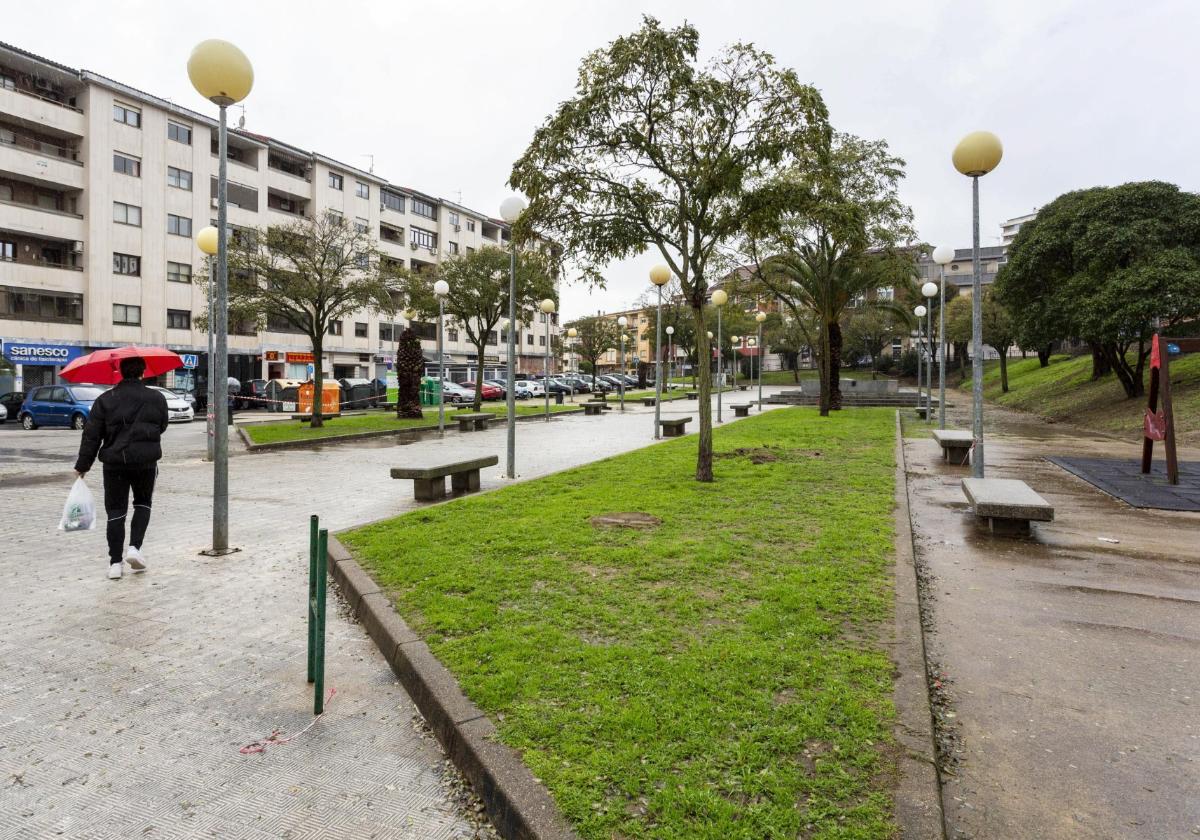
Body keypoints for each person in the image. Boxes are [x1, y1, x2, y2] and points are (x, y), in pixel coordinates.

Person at [74, 357, 169, 580]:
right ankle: (135, 548)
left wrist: (83, 465)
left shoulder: (105, 399)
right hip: (146, 462)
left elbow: (92, 435)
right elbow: (162, 426)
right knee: (143, 504)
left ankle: (115, 563)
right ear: (143, 372)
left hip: (114, 463)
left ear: (119, 371)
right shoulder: (157, 397)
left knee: (116, 511)